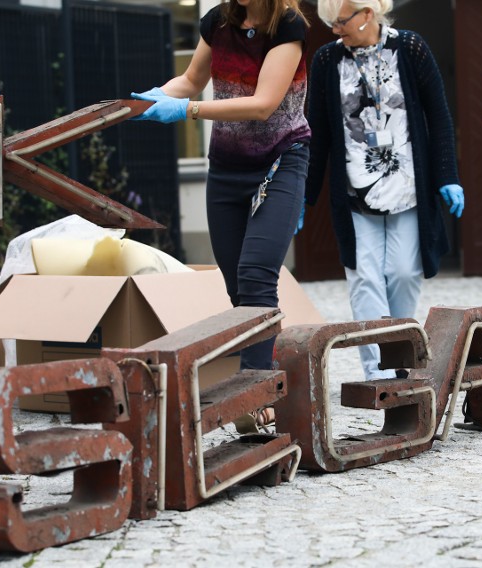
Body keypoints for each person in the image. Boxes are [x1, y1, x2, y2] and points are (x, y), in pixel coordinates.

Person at [130, 0, 311, 431]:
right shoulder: (218, 20)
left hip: (280, 159)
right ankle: (265, 377)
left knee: (255, 274)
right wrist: (157, 97)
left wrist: (188, 110)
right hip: (228, 167)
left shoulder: (287, 26)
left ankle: (256, 392)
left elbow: (264, 104)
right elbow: (192, 79)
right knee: (236, 286)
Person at [304, 0, 464, 379]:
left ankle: (401, 354)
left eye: (341, 21)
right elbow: (318, 132)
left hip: (408, 186)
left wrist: (447, 176)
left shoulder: (409, 48)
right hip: (355, 193)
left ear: (367, 15)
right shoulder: (328, 61)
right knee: (365, 277)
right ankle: (378, 374)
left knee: (405, 272)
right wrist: (304, 194)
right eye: (330, 22)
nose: (334, 30)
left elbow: (438, 116)